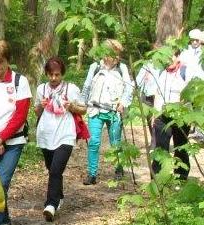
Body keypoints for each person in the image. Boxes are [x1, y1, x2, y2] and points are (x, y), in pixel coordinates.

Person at [0, 40, 32, 225]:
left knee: (0, 183)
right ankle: (4, 219)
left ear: (8, 60)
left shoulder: (20, 81)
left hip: (13, 142)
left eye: (0, 61)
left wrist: (1, 138)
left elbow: (20, 115)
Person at [35, 57, 85, 222]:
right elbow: (37, 112)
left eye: (57, 74)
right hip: (46, 134)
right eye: (50, 74)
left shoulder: (71, 89)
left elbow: (83, 109)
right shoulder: (41, 88)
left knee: (56, 170)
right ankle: (59, 196)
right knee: (52, 169)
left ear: (62, 74)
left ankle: (51, 205)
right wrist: (40, 106)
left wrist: (72, 106)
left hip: (65, 134)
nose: (53, 78)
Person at [81, 39, 133, 185]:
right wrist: (82, 104)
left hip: (114, 111)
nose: (108, 55)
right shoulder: (95, 67)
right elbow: (86, 86)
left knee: (115, 143)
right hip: (95, 110)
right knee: (94, 142)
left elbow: (129, 88)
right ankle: (91, 174)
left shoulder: (122, 69)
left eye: (113, 52)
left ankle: (118, 169)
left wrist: (123, 103)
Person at [150, 51, 191, 181]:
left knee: (180, 146)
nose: (167, 59)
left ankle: (181, 176)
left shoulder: (185, 71)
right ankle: (158, 177)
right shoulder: (162, 71)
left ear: (177, 56)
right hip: (161, 115)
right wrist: (154, 114)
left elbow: (189, 95)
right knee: (161, 147)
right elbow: (157, 92)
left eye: (170, 55)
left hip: (181, 116)